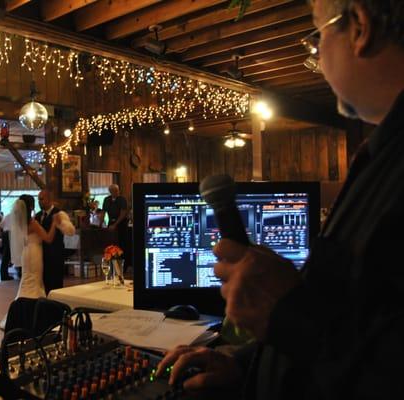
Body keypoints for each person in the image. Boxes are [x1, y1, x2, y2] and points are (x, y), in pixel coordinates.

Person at [157, 1, 404, 399]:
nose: (318, 53)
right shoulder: (384, 153)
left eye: (318, 34)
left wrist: (290, 313)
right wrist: (245, 365)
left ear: (359, 27)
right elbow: (359, 318)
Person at [36, 190, 75, 294]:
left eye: (41, 199)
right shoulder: (38, 215)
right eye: (38, 199)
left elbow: (71, 231)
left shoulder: (59, 214)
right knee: (44, 285)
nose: (39, 202)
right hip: (41, 256)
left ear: (49, 200)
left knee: (56, 285)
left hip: (55, 255)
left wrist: (60, 224)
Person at [100, 184, 129, 269]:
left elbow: (123, 213)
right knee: (110, 244)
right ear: (110, 192)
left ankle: (123, 265)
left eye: (116, 190)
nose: (115, 192)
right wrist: (101, 223)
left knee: (122, 244)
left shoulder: (122, 199)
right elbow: (103, 212)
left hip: (121, 223)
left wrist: (115, 224)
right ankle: (111, 265)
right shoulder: (107, 199)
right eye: (113, 191)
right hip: (111, 222)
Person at [0, 213, 14, 280]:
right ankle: (4, 275)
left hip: (5, 234)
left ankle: (4, 274)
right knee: (6, 255)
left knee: (6, 256)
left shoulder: (8, 215)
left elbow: (0, 226)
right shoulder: (16, 215)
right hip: (9, 234)